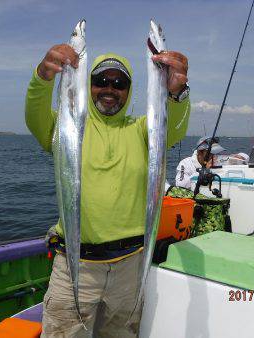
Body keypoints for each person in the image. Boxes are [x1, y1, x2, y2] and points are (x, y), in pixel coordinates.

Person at [25, 43, 190, 337]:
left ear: (129, 90)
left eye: (119, 83)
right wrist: (42, 78)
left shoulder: (143, 130)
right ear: (88, 85)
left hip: (131, 267)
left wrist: (177, 94)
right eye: (101, 81)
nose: (110, 89)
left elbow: (173, 128)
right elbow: (34, 116)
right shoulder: (67, 128)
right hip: (76, 265)